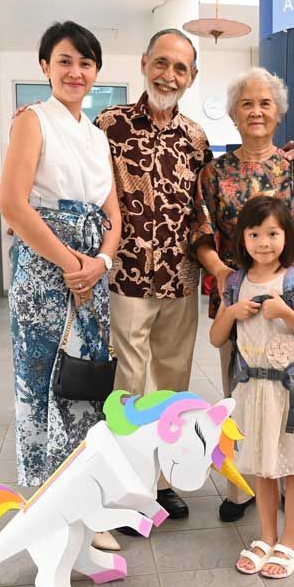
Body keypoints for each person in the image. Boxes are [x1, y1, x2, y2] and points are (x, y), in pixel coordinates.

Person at [191, 66, 294, 524]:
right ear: (234, 114)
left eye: (265, 104)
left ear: (278, 113)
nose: (256, 111)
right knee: (241, 397)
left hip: (288, 301)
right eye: (246, 104)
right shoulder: (215, 173)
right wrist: (218, 269)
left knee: (291, 393)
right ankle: (242, 490)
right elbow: (198, 229)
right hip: (237, 300)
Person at [93, 28, 212, 520]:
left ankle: (163, 480)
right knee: (127, 385)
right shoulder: (107, 125)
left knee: (171, 382)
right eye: (161, 63)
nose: (169, 75)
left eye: (180, 68)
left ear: (192, 76)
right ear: (144, 63)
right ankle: (124, 484)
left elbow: (203, 209)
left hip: (180, 279)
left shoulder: (196, 138)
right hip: (126, 277)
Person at [0, 22, 121, 493]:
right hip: (47, 274)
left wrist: (101, 264)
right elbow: (12, 203)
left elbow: (113, 213)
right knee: (45, 379)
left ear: (96, 72)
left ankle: (85, 495)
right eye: (65, 61)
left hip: (91, 275)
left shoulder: (95, 134)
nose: (75, 72)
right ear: (45, 66)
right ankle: (50, 497)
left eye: (85, 63)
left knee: (86, 380)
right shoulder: (32, 119)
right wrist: (73, 264)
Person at [211, 196, 294, 579]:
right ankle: (265, 535)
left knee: (293, 468)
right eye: (255, 233)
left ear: (286, 236)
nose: (264, 242)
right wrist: (230, 313)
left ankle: (289, 542)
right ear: (242, 238)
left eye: (273, 233)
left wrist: (288, 314)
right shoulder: (235, 283)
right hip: (253, 393)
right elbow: (215, 339)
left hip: (290, 392)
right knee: (262, 467)